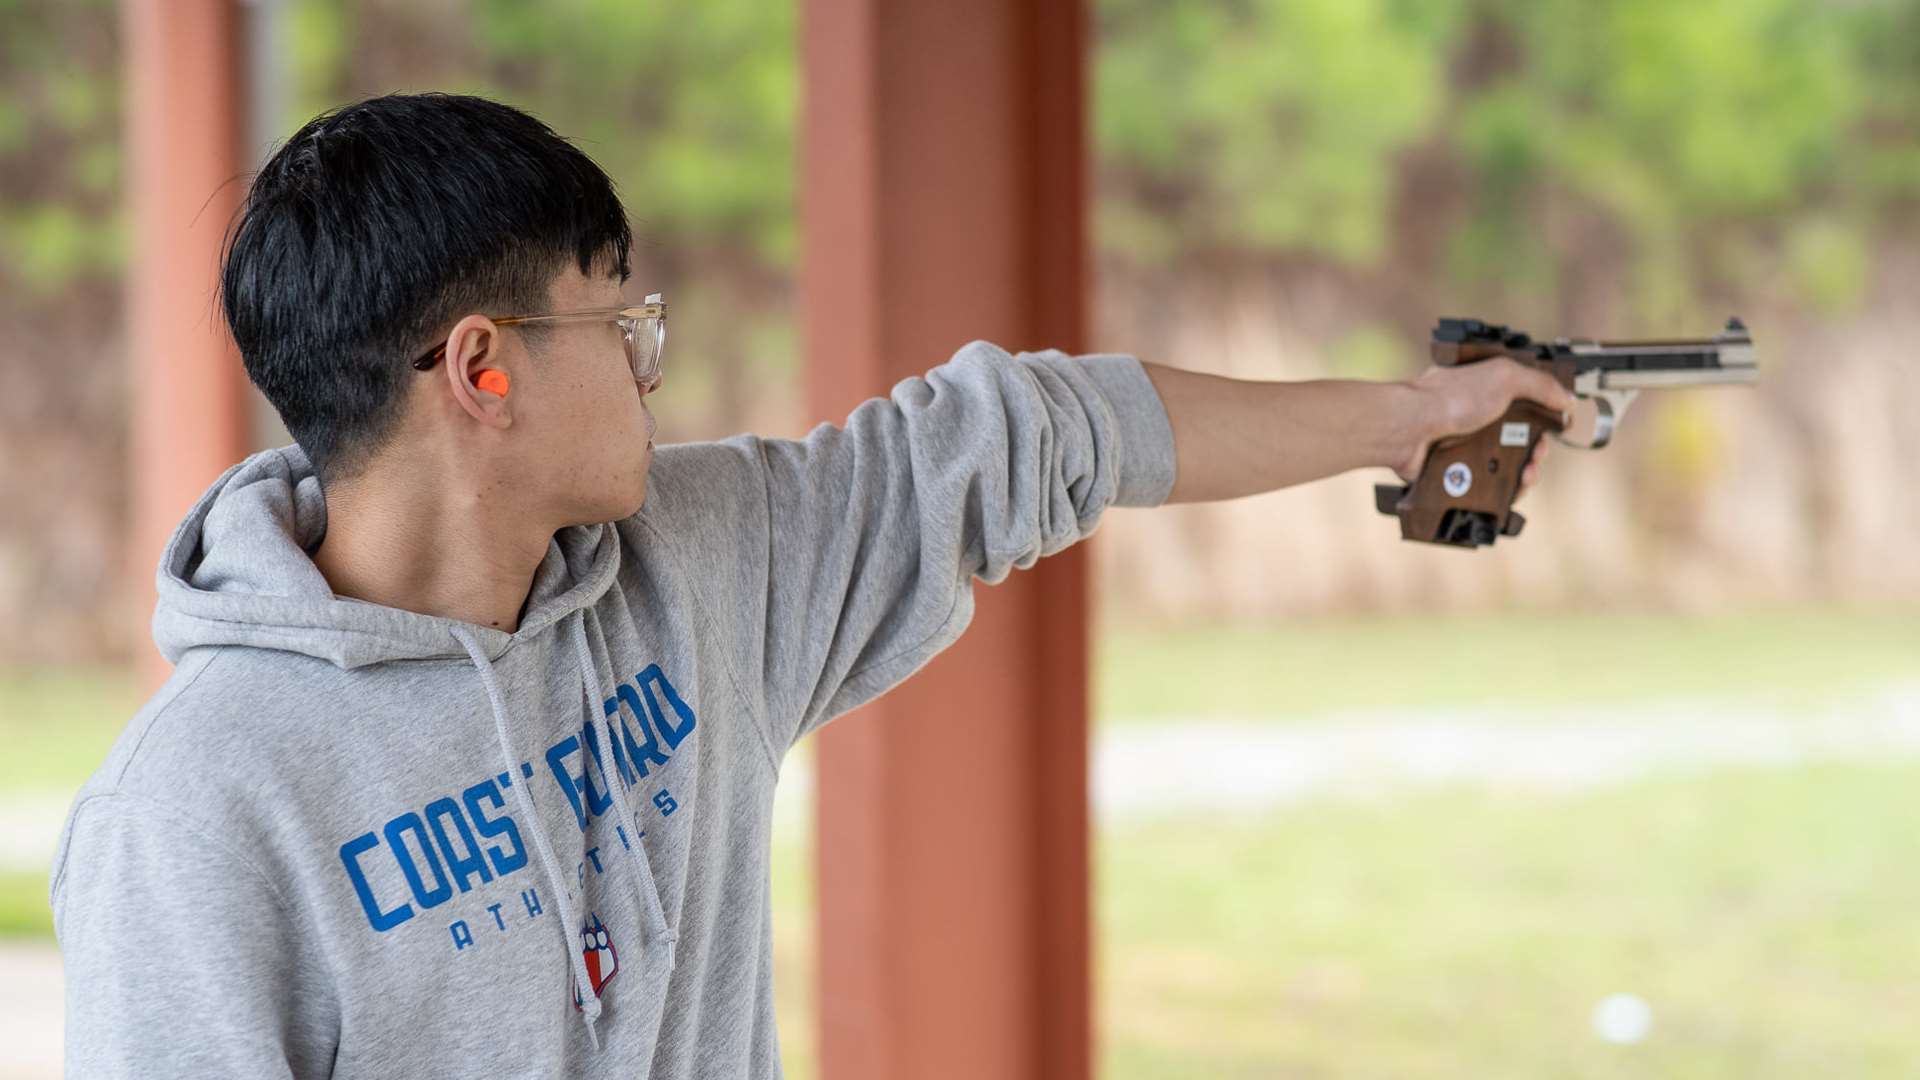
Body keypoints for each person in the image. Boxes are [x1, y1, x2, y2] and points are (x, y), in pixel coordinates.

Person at [47, 92, 1572, 1077]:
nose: (657, 367)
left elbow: (1045, 429)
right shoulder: (197, 814)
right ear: (484, 370)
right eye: (617, 326)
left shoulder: (702, 565)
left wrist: (1411, 419)